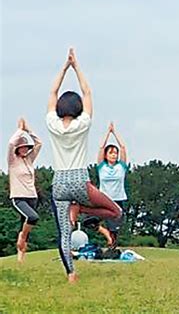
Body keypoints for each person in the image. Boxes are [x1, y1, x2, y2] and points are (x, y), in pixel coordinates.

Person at [46, 48, 122, 283]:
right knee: (115, 212)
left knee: (64, 233)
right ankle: (80, 209)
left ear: (59, 108)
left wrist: (63, 67)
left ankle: (71, 275)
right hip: (79, 179)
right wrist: (76, 66)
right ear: (77, 108)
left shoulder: (52, 123)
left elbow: (52, 91)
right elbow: (88, 92)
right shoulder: (83, 124)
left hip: (58, 182)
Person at [7, 118, 42, 263]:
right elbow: (10, 143)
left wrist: (28, 130)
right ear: (17, 148)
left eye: (26, 147)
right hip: (18, 197)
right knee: (32, 218)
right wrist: (20, 130)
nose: (25, 149)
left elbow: (39, 143)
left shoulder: (29, 160)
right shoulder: (12, 161)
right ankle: (21, 237)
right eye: (21, 147)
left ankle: (20, 259)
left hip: (32, 196)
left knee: (25, 227)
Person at [89, 122, 129, 247]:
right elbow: (101, 148)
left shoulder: (121, 167)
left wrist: (115, 132)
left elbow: (123, 147)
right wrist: (107, 133)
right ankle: (105, 233)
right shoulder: (102, 167)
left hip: (118, 199)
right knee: (89, 221)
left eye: (115, 153)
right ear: (106, 155)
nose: (113, 155)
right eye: (111, 152)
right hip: (104, 199)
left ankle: (112, 245)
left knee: (114, 228)